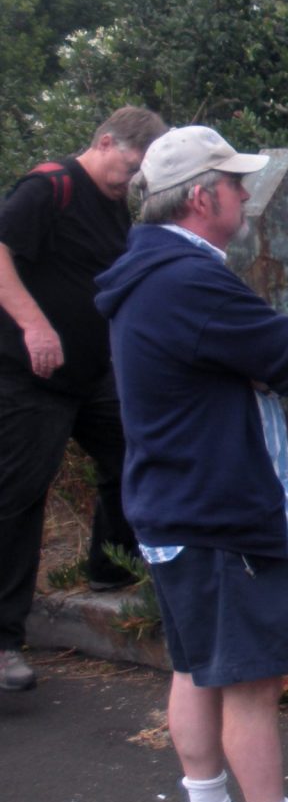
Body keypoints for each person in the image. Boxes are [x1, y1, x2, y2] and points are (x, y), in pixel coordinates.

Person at [94, 125, 288, 802]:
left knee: (195, 670)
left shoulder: (140, 273)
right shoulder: (192, 281)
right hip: (219, 511)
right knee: (250, 680)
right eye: (237, 184)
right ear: (202, 197)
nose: (247, 196)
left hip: (171, 505)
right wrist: (269, 354)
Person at [0, 106, 167, 692]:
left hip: (92, 373)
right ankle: (3, 642)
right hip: (29, 374)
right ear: (104, 143)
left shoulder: (115, 205)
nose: (133, 179)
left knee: (133, 452)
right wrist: (33, 326)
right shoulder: (50, 187)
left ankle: (109, 569)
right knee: (19, 495)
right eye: (130, 166)